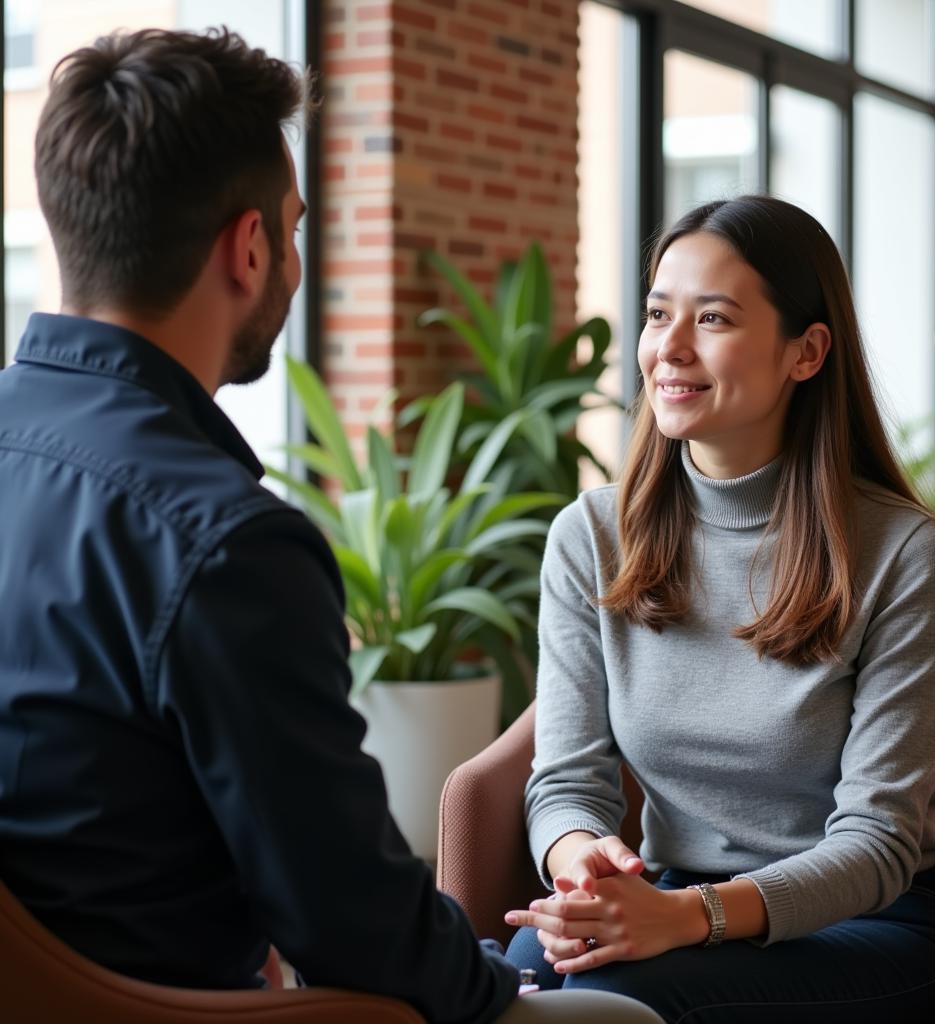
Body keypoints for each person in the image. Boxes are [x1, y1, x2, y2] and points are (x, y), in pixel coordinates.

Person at [0, 27, 659, 1024]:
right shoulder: (222, 541)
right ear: (250, 247)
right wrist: (495, 975)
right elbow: (353, 921)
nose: (296, 261)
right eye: (296, 229)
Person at [502, 195, 935, 1023]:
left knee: (606, 998)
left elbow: (879, 842)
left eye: (713, 318)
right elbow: (567, 780)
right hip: (672, 895)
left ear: (807, 351)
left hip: (866, 924)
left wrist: (693, 919)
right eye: (657, 314)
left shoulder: (903, 553)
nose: (669, 349)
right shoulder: (592, 535)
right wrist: (583, 863)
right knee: (513, 979)